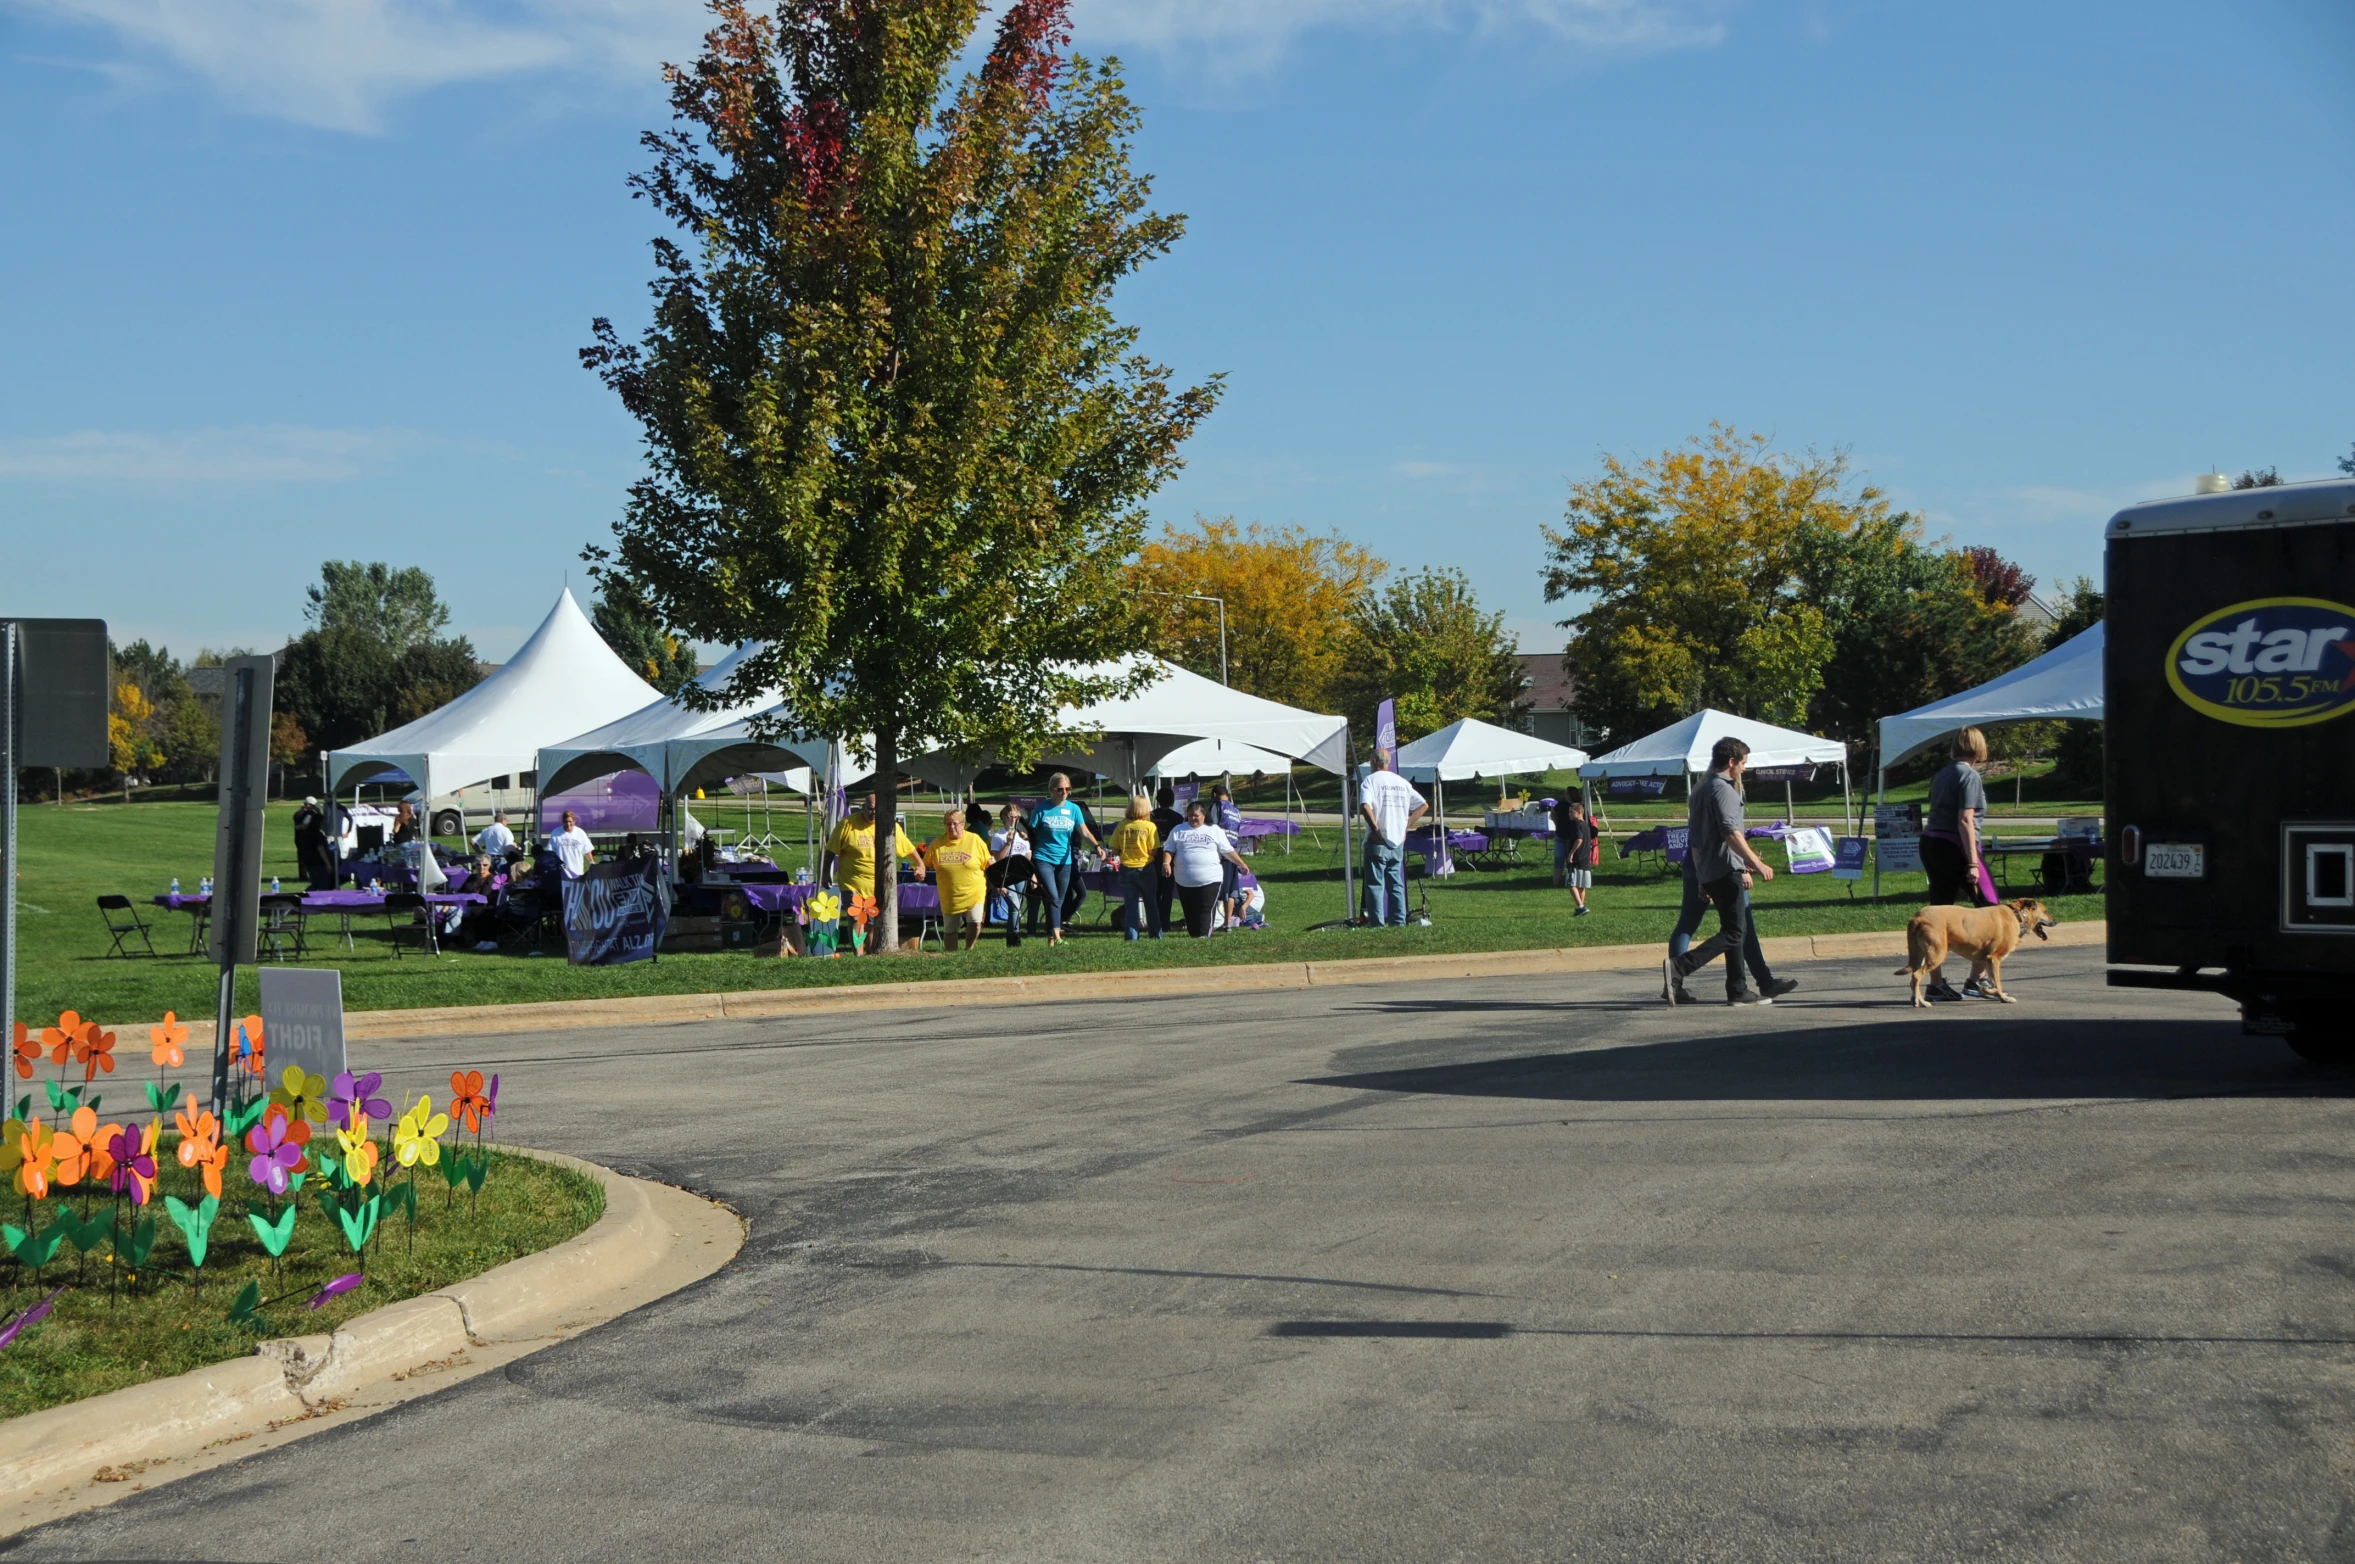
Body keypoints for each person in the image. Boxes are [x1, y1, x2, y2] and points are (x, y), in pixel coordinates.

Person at [1664, 737, 1777, 1007]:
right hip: (1726, 869)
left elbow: (1695, 840)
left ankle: (1737, 990)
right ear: (1731, 762)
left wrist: (1702, 878)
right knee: (1736, 932)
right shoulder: (1723, 789)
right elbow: (1730, 832)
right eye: (1743, 763)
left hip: (1710, 870)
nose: (1744, 769)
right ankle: (1680, 967)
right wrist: (1757, 864)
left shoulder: (1701, 791)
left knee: (1734, 929)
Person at [1920, 726, 1997, 1001]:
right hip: (1955, 844)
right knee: (1993, 912)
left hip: (1931, 842)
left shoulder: (1942, 774)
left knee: (1938, 915)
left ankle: (1936, 983)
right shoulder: (1969, 775)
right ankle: (1976, 980)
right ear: (1978, 747)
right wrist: (1973, 863)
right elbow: (1965, 819)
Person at [1027, 773, 1101, 947]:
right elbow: (1031, 833)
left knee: (1058, 899)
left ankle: (1051, 940)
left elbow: (1084, 831)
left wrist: (1096, 846)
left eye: (1068, 789)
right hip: (1043, 857)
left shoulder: (1073, 809)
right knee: (1052, 896)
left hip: (1065, 860)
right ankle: (1058, 937)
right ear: (1051, 790)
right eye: (1060, 789)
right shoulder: (1041, 809)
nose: (1064, 793)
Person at [1357, 752, 1429, 927]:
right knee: (1396, 884)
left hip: (1378, 840)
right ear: (1388, 763)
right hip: (1396, 840)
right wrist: (1405, 826)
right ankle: (1398, 922)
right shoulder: (1401, 782)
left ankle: (1377, 924)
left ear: (1374, 762)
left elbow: (1365, 806)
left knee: (1375, 885)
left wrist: (1375, 828)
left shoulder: (1371, 781)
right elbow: (1423, 805)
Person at [1163, 800, 1249, 938]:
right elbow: (1169, 849)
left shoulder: (1214, 830)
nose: (1193, 818)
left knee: (1205, 908)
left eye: (1196, 815)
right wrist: (1166, 863)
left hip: (1210, 879)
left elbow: (1227, 850)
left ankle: (1204, 936)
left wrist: (1241, 863)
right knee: (1189, 910)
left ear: (1204, 815)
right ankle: (1195, 936)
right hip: (1184, 880)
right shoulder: (1178, 830)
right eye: (1190, 815)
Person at [922, 809, 994, 952]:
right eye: (948, 824)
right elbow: (925, 864)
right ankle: (951, 956)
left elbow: (989, 862)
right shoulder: (938, 844)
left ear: (962, 824)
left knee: (975, 922)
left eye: (954, 824)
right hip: (950, 894)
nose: (951, 827)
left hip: (974, 891)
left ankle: (969, 949)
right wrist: (920, 870)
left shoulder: (975, 840)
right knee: (950, 929)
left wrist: (995, 868)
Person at [824, 800, 922, 904]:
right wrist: (825, 874)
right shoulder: (847, 824)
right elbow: (830, 850)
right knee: (856, 919)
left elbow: (908, 848)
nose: (874, 812)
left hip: (881, 886)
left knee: (874, 920)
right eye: (870, 809)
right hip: (852, 885)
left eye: (877, 809)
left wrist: (921, 865)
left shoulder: (889, 826)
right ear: (863, 807)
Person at [1107, 795, 1163, 940]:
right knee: (1150, 902)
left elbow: (1114, 850)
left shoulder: (1122, 825)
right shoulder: (1150, 826)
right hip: (1145, 867)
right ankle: (1156, 934)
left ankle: (1132, 936)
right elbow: (1154, 850)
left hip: (1126, 868)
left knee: (1130, 905)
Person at [988, 804, 1034, 949]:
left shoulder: (1022, 836)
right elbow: (997, 858)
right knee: (1014, 906)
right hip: (1005, 874)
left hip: (1020, 874)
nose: (1014, 820)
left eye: (1016, 817)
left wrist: (1032, 876)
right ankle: (1014, 938)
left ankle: (1014, 937)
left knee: (1018, 906)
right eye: (1011, 817)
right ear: (1004, 818)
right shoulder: (998, 836)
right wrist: (1008, 844)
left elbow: (1027, 857)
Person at [1150, 785, 1185, 935]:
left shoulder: (1150, 815)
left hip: (1153, 856)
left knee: (1155, 892)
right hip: (1170, 858)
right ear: (1172, 800)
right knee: (1167, 893)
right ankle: (1165, 922)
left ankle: (1155, 921)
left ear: (1157, 800)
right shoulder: (1177, 818)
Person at [1556, 797, 1598, 916]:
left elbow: (1578, 840)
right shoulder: (1585, 824)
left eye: (1571, 812)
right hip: (1585, 858)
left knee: (1571, 883)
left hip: (1576, 858)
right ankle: (1582, 907)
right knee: (1581, 885)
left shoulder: (1575, 824)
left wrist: (1571, 854)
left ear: (1579, 812)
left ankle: (1580, 906)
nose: (1569, 814)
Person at [292, 795, 333, 890]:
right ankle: (303, 876)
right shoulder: (300, 814)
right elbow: (298, 826)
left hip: (307, 839)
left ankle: (308, 876)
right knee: (302, 857)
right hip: (301, 839)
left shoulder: (313, 813)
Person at [550, 810, 595, 881]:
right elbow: (551, 852)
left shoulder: (580, 833)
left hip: (577, 872)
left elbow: (587, 850)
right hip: (561, 873)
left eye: (570, 821)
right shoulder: (555, 833)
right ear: (562, 821)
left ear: (574, 821)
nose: (568, 824)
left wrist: (592, 863)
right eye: (566, 822)